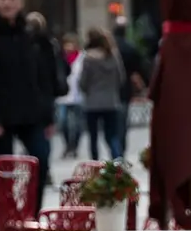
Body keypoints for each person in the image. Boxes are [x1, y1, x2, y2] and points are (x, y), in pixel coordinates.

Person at [0, 0, 62, 209]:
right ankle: (8, 216)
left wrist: (48, 116)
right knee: (5, 173)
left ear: (20, 2)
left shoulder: (32, 33)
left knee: (41, 161)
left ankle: (32, 214)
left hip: (32, 114)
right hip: (0, 115)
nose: (7, 3)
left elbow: (45, 77)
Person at [78, 28, 126, 160]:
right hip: (111, 101)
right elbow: (121, 78)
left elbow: (83, 82)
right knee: (112, 135)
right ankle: (117, 160)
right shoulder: (113, 56)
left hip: (92, 103)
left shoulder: (88, 59)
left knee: (93, 137)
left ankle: (95, 164)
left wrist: (87, 91)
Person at [111, 15, 149, 144]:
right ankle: (121, 147)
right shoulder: (130, 48)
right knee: (123, 121)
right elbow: (139, 69)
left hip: (109, 88)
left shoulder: (110, 49)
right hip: (125, 88)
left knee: (112, 122)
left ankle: (114, 145)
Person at [55, 33, 84, 158]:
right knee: (63, 123)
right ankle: (67, 145)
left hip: (78, 95)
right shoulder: (59, 59)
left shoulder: (82, 58)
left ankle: (75, 146)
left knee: (78, 124)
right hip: (63, 96)